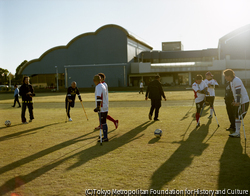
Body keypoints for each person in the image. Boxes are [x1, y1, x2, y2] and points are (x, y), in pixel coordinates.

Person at [223, 69, 249, 138]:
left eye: (225, 76)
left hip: (244, 101)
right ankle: (237, 132)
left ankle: (237, 132)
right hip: (240, 101)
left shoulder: (236, 80)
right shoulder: (231, 81)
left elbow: (238, 92)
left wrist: (237, 101)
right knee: (237, 116)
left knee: (239, 116)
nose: (225, 78)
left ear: (229, 76)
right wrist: (235, 101)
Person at [93, 75, 109, 142]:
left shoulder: (98, 86)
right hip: (105, 105)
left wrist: (98, 107)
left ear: (94, 81)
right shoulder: (103, 85)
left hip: (102, 107)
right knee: (104, 122)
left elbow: (99, 97)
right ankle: (105, 136)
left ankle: (105, 137)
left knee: (103, 122)